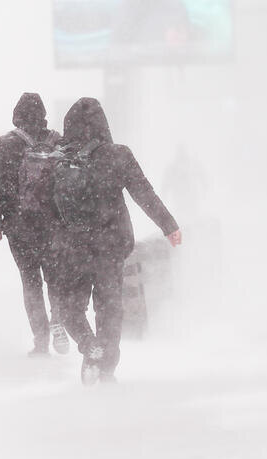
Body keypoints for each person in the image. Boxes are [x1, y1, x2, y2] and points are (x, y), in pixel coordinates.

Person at [51, 97, 181, 385]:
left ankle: (88, 345)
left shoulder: (58, 160)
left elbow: (48, 208)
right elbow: (143, 194)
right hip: (110, 245)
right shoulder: (118, 155)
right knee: (109, 307)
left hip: (74, 246)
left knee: (72, 307)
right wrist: (168, 225)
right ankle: (106, 367)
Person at [0, 93, 68, 357]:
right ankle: (58, 319)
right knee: (56, 278)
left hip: (20, 226)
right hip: (54, 224)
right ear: (43, 115)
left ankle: (41, 339)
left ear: (16, 115)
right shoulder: (59, 141)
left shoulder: (5, 144)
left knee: (31, 282)